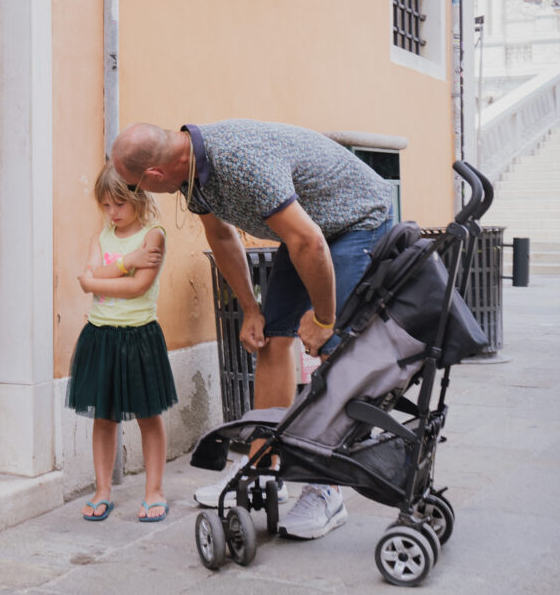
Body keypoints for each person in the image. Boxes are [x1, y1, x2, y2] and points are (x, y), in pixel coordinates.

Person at [111, 121, 395, 540]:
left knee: (334, 351)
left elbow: (311, 244)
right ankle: (264, 470)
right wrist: (250, 310)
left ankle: (328, 488)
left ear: (154, 176)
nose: (142, 194)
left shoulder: (239, 163)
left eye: (138, 187)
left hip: (356, 221)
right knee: (273, 338)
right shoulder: (191, 172)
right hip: (310, 228)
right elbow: (222, 237)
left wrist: (324, 319)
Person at [68, 163, 177, 522]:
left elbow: (136, 287)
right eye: (106, 206)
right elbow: (90, 275)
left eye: (120, 204)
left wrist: (95, 280)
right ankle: (102, 490)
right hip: (100, 336)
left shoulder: (153, 235)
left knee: (148, 416)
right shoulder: (100, 238)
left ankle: (154, 491)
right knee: (104, 417)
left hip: (139, 336)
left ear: (138, 197)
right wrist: (128, 261)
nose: (113, 213)